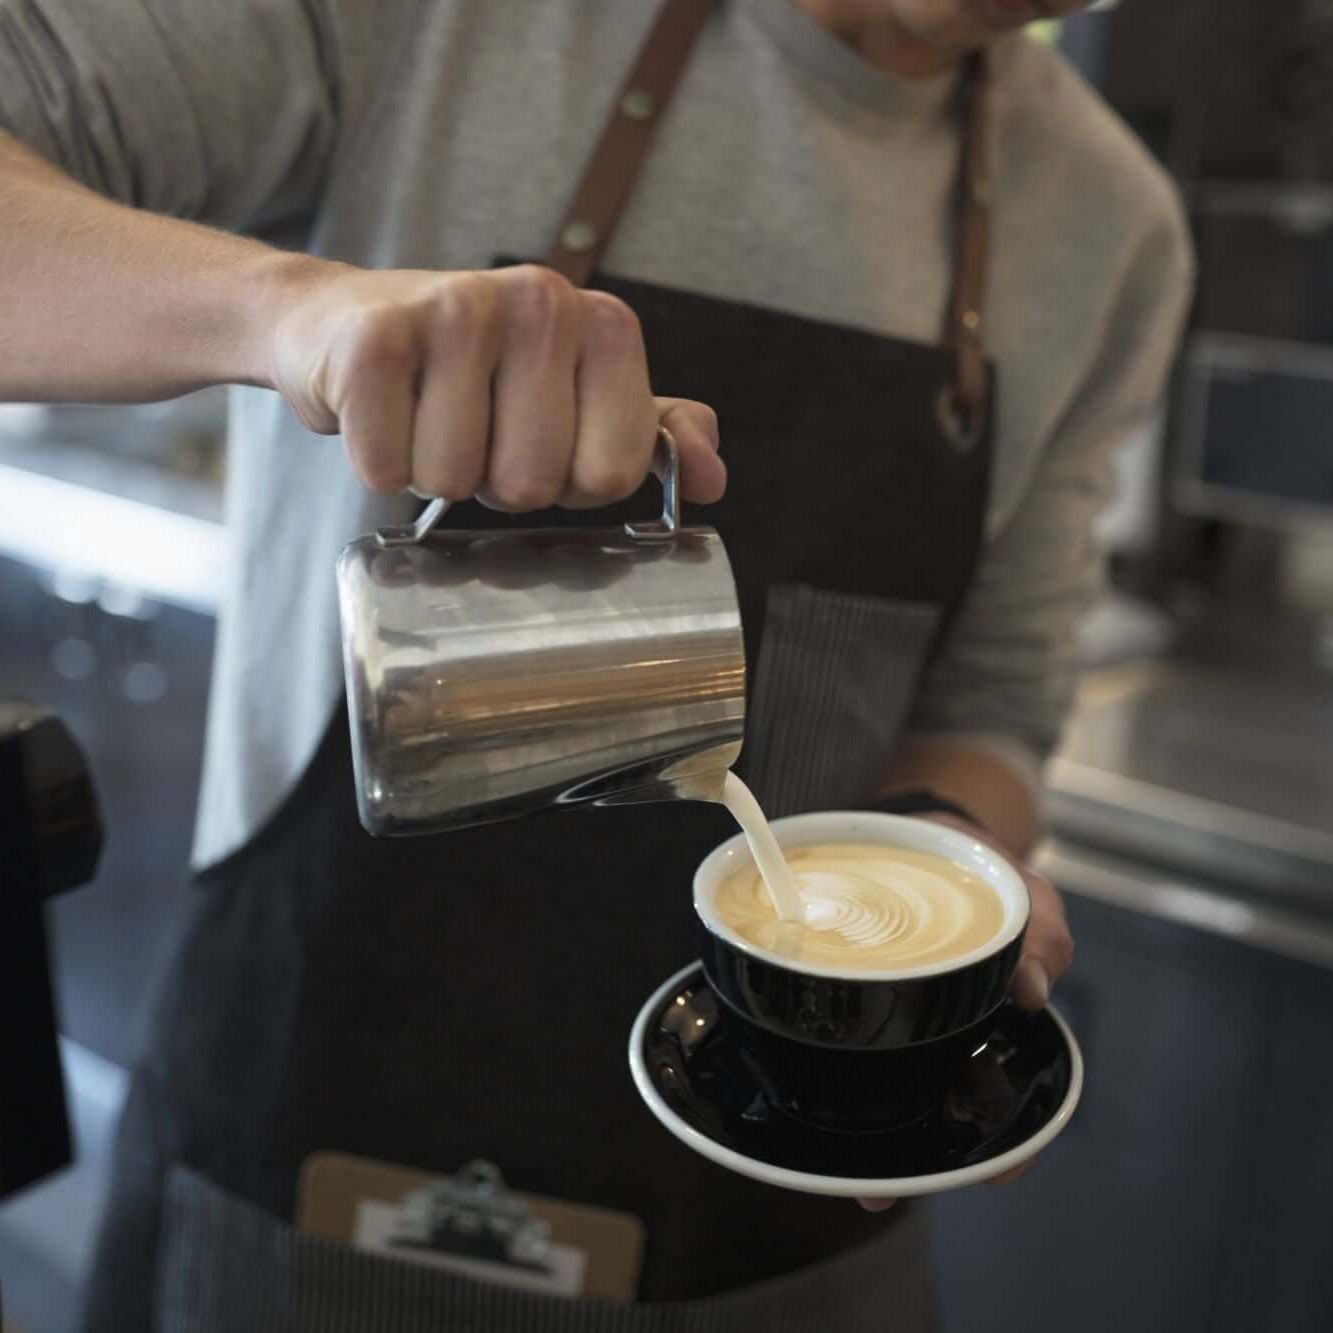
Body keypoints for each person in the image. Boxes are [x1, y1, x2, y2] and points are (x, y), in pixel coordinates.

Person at [0, 1, 1192, 1329]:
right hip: (327, 1134)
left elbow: (995, 694)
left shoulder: (1109, 221)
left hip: (792, 1220)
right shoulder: (435, 26)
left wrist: (946, 879)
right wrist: (294, 314)